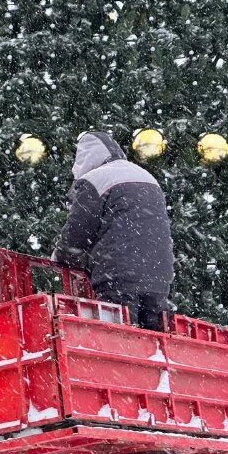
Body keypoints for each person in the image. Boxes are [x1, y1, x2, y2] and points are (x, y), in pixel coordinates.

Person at [52, 131, 174, 331]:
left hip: (118, 276)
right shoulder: (146, 176)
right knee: (154, 341)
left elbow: (77, 235)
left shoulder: (95, 179)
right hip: (159, 277)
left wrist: (61, 257)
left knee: (121, 336)